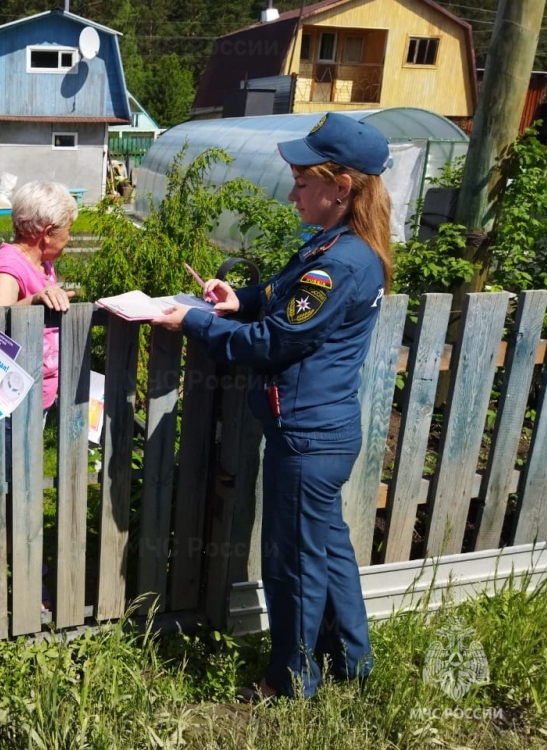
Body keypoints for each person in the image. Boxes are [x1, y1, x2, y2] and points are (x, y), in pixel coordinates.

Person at [152, 112, 391, 700]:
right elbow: (283, 303)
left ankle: (291, 682)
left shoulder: (341, 263)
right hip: (321, 434)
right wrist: (241, 299)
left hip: (307, 439)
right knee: (328, 553)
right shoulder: (338, 247)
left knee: (294, 567)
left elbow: (274, 343)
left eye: (304, 182)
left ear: (342, 188)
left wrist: (198, 323)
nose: (292, 193)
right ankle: (351, 663)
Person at [0, 180, 78, 412]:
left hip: (33, 394)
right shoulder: (9, 268)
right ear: (48, 233)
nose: (69, 238)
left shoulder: (43, 262)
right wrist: (33, 301)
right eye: (69, 230)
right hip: (11, 401)